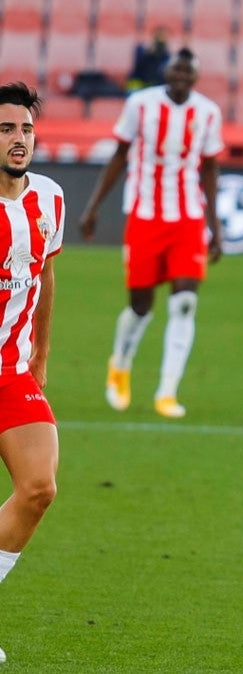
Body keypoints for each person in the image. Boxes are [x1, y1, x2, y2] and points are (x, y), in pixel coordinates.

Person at [79, 48, 224, 419]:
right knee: (140, 306)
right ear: (166, 72)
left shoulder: (208, 112)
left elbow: (210, 169)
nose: (181, 77)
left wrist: (215, 225)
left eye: (188, 72)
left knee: (185, 302)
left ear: (195, 77)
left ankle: (167, 391)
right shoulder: (140, 105)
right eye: (176, 70)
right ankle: (120, 363)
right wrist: (93, 207)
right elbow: (119, 155)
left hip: (188, 219)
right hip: (145, 216)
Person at [0, 82, 65, 666]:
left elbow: (44, 275)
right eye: (5, 130)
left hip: (12, 373)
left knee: (39, 488)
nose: (18, 139)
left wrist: (41, 355)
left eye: (25, 128)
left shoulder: (50, 198)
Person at [126, 25, 171, 92]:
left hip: (157, 87)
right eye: (158, 37)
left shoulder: (168, 57)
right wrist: (149, 54)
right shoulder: (141, 51)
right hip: (140, 85)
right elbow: (138, 69)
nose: (160, 40)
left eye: (163, 37)